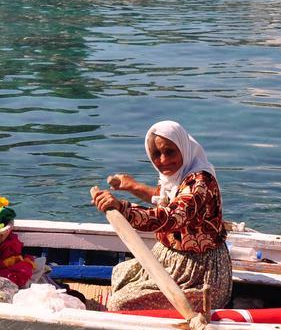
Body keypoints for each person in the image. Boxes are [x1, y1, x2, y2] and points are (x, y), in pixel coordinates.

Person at [91, 120, 232, 312]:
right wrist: (131, 186)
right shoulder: (178, 177)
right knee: (120, 274)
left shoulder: (200, 182)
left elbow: (171, 217)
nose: (163, 160)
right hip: (170, 260)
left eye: (170, 152)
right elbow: (165, 199)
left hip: (199, 273)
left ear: (183, 147)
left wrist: (121, 207)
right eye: (156, 154)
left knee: (119, 304)